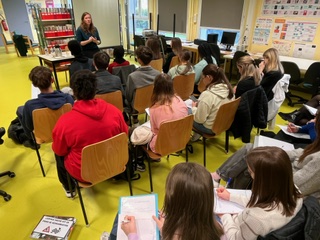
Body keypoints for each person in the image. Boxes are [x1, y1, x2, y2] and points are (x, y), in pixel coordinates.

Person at [52, 70, 128, 197]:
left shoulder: (65, 122)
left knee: (57, 151)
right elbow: (124, 135)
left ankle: (69, 188)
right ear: (95, 90)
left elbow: (60, 151)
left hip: (84, 173)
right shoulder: (114, 111)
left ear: (74, 93)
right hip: (115, 162)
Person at [212, 113, 320, 202]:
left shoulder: (318, 160)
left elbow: (295, 186)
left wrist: (271, 163)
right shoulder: (317, 146)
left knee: (250, 164)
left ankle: (227, 189)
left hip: (286, 185)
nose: (312, 120)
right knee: (252, 152)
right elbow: (299, 152)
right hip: (284, 170)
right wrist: (271, 154)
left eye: (316, 120)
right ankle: (225, 185)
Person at [120, 162, 226, 240]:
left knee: (120, 217)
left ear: (173, 202)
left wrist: (132, 235)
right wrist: (165, 230)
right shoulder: (218, 228)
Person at [217, 146, 303, 239]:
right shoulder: (295, 192)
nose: (250, 175)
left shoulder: (257, 219)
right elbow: (260, 200)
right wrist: (230, 196)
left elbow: (235, 238)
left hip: (235, 228)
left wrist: (224, 216)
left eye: (250, 172)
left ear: (262, 179)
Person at [130, 73, 188, 171]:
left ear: (155, 88)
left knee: (133, 131)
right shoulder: (180, 101)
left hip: (161, 145)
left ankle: (139, 162)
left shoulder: (155, 109)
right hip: (180, 140)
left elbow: (154, 131)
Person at [16, 66, 74, 149]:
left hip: (43, 136)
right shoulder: (68, 98)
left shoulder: (30, 105)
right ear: (52, 80)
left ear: (34, 85)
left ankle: (32, 142)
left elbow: (29, 126)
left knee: (20, 110)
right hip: (66, 132)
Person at [191, 64, 234, 141]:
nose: (202, 80)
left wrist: (193, 108)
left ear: (209, 78)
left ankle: (182, 141)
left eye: (202, 78)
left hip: (209, 128)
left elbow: (199, 120)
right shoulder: (229, 90)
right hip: (223, 125)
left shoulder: (208, 95)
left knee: (186, 110)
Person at [125, 46, 160, 126]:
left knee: (128, 99)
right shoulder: (158, 74)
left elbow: (128, 96)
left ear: (139, 60)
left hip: (136, 106)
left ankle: (135, 121)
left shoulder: (132, 76)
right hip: (153, 103)